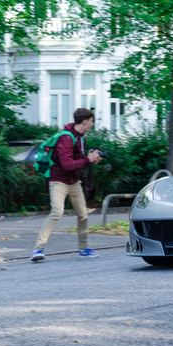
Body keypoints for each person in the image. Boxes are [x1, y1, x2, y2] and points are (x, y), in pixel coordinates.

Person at [31, 108, 103, 262]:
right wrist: (87, 160)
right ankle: (38, 248)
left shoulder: (79, 137)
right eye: (91, 122)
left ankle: (83, 249)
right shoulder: (66, 138)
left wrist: (90, 157)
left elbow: (77, 158)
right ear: (84, 122)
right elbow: (67, 164)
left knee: (83, 214)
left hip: (74, 181)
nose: (91, 125)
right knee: (57, 212)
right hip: (58, 181)